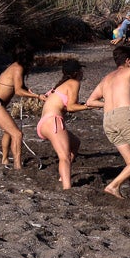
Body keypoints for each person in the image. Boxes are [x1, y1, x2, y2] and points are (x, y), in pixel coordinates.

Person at [85, 45, 130, 200]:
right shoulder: (129, 71)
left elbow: (90, 102)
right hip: (124, 117)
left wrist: (111, 104)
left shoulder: (106, 78)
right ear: (128, 61)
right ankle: (114, 185)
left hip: (108, 119)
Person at [0, 45, 45, 169]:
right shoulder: (17, 68)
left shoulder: (14, 66)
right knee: (17, 134)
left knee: (9, 131)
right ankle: (17, 165)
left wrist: (29, 92)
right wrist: (38, 96)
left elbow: (18, 87)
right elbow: (18, 91)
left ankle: (5, 160)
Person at [36, 59, 93, 189]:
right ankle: (67, 187)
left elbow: (64, 105)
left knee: (75, 143)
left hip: (44, 123)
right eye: (81, 70)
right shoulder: (74, 83)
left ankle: (63, 177)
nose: (82, 73)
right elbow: (72, 107)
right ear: (77, 72)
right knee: (64, 156)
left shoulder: (60, 85)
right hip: (53, 122)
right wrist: (88, 107)